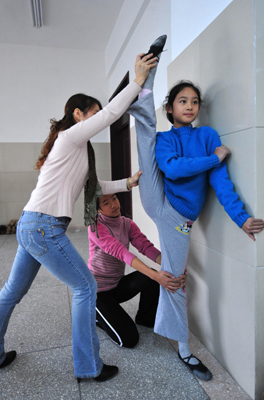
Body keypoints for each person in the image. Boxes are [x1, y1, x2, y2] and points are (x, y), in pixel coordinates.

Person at [0, 52, 158, 383]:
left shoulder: (76, 150)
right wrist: (139, 79)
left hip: (32, 225)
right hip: (44, 228)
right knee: (86, 286)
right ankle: (88, 367)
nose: (98, 120)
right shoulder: (71, 137)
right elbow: (116, 112)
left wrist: (126, 183)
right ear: (77, 115)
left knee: (12, 292)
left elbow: (93, 187)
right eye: (93, 115)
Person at [127, 34, 264, 381]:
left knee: (174, 280)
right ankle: (148, 72)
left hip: (178, 217)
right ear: (171, 107)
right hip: (158, 194)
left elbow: (221, 184)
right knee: (145, 133)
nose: (189, 106)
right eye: (182, 101)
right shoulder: (167, 138)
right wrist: (213, 158)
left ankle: (179, 346)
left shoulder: (209, 137)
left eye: (195, 101)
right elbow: (171, 169)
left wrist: (242, 217)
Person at [88, 192, 186, 348]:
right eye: (106, 203)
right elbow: (121, 253)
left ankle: (145, 318)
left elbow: (145, 247)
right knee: (128, 340)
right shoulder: (95, 227)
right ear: (98, 209)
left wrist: (173, 266)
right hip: (97, 291)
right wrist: (156, 275)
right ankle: (96, 316)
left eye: (114, 198)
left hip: (116, 285)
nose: (114, 204)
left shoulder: (127, 224)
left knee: (149, 278)